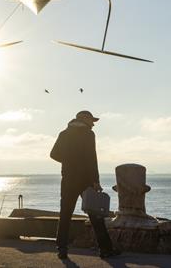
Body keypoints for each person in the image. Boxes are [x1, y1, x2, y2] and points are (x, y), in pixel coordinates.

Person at [50, 110, 120, 260]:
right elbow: (91, 158)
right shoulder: (88, 134)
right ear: (83, 119)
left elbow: (53, 154)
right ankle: (106, 249)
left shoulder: (64, 133)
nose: (93, 124)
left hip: (68, 179)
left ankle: (62, 249)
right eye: (91, 121)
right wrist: (96, 181)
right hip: (85, 180)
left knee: (65, 214)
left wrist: (69, 161)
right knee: (95, 214)